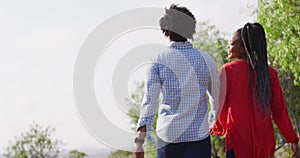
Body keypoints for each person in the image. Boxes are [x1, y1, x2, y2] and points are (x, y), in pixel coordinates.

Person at [133, 4, 220, 158]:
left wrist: (140, 142)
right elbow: (216, 99)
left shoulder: (158, 61)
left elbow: (149, 103)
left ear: (165, 30)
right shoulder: (207, 60)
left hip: (168, 137)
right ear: (191, 30)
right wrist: (212, 121)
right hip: (198, 137)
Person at [212, 22, 300, 158]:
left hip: (237, 143)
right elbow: (279, 111)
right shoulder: (269, 73)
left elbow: (221, 107)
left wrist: (216, 128)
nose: (228, 47)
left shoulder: (228, 71)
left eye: (231, 43)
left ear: (243, 48)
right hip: (264, 145)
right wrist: (292, 138)